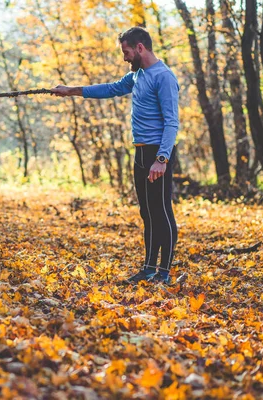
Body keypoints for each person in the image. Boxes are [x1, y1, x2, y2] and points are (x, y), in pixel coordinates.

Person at [51, 26, 179, 284]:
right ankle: (148, 268)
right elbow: (109, 89)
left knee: (162, 211)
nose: (125, 58)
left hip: (158, 154)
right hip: (141, 153)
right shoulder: (137, 76)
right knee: (147, 213)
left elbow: (172, 122)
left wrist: (162, 159)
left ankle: (164, 273)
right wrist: (71, 90)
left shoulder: (163, 77)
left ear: (140, 47)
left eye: (126, 52)